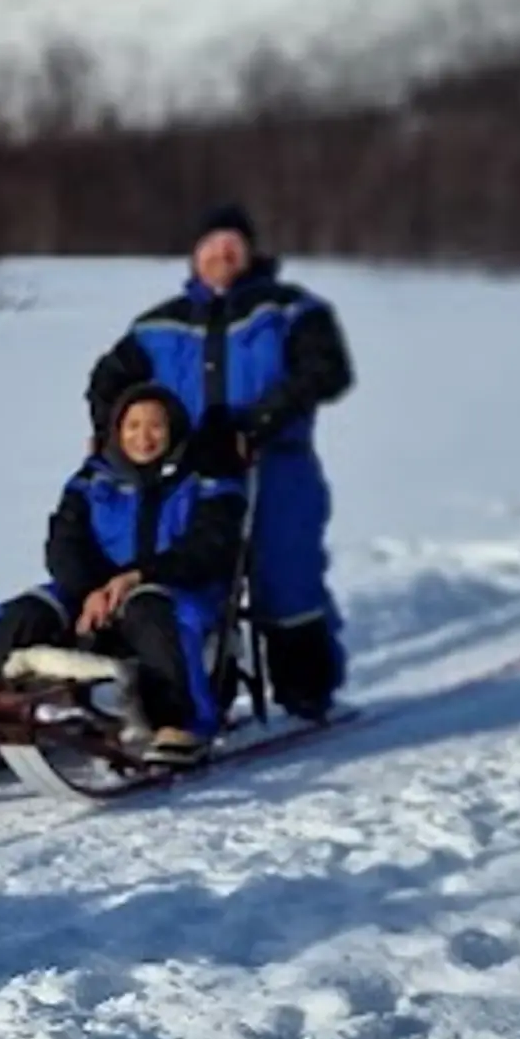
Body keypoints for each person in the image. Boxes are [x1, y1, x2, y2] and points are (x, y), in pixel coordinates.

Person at [85, 203, 353, 719]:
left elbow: (325, 369)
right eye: (211, 246)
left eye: (233, 245)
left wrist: (259, 420)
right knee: (189, 572)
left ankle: (306, 690)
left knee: (285, 576)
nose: (221, 255)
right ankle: (193, 678)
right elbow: (110, 378)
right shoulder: (159, 324)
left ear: (251, 252)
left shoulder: (287, 309)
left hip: (274, 466)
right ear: (195, 254)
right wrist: (108, 430)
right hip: (181, 475)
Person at [0, 385, 245, 757]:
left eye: (155, 427)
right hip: (93, 593)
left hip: (178, 589)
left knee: (148, 608)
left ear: (174, 430)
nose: (143, 437)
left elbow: (209, 549)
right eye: (132, 426)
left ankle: (178, 723)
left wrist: (137, 576)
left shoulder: (205, 480)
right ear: (116, 431)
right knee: (26, 612)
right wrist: (90, 591)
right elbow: (63, 545)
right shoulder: (92, 481)